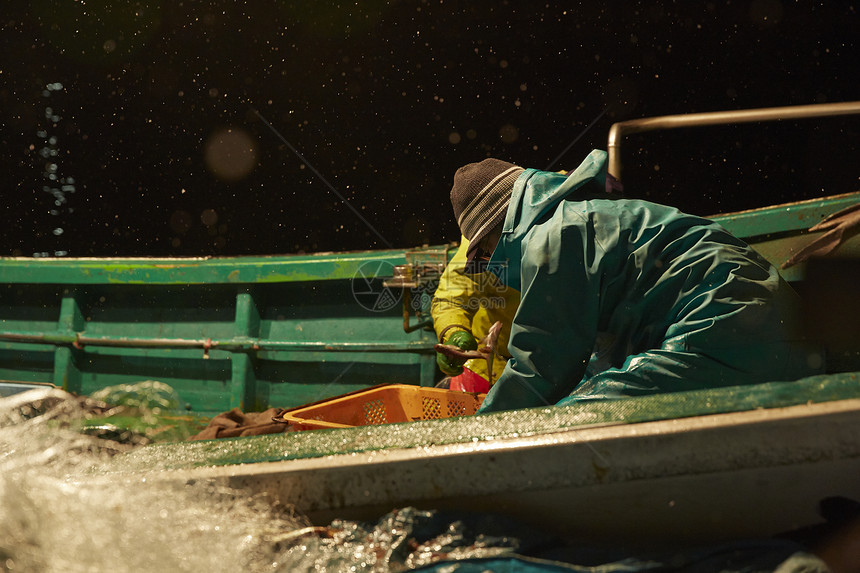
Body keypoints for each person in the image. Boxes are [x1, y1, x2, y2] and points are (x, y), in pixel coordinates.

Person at [448, 150, 825, 413]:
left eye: (483, 252)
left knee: (575, 419)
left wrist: (479, 433)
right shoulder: (579, 216)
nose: (486, 263)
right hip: (771, 329)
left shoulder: (552, 238)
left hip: (728, 332)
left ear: (496, 226)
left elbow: (542, 366)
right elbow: (604, 350)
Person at [431, 235, 519, 392]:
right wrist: (454, 332)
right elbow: (452, 297)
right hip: (490, 362)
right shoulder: (479, 234)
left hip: (561, 363)